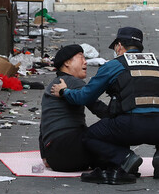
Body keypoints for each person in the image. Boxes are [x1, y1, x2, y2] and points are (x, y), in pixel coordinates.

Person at [50, 26, 159, 185]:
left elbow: (84, 97)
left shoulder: (114, 66)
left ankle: (126, 157)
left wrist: (64, 92)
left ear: (119, 46)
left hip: (130, 127)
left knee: (89, 136)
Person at [39, 44, 109, 172]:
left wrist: (44, 155)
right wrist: (119, 118)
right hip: (71, 150)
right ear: (67, 63)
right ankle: (124, 159)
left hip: (54, 159)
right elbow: (97, 107)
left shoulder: (51, 86)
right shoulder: (72, 82)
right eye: (81, 57)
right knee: (108, 128)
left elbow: (43, 124)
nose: (85, 62)